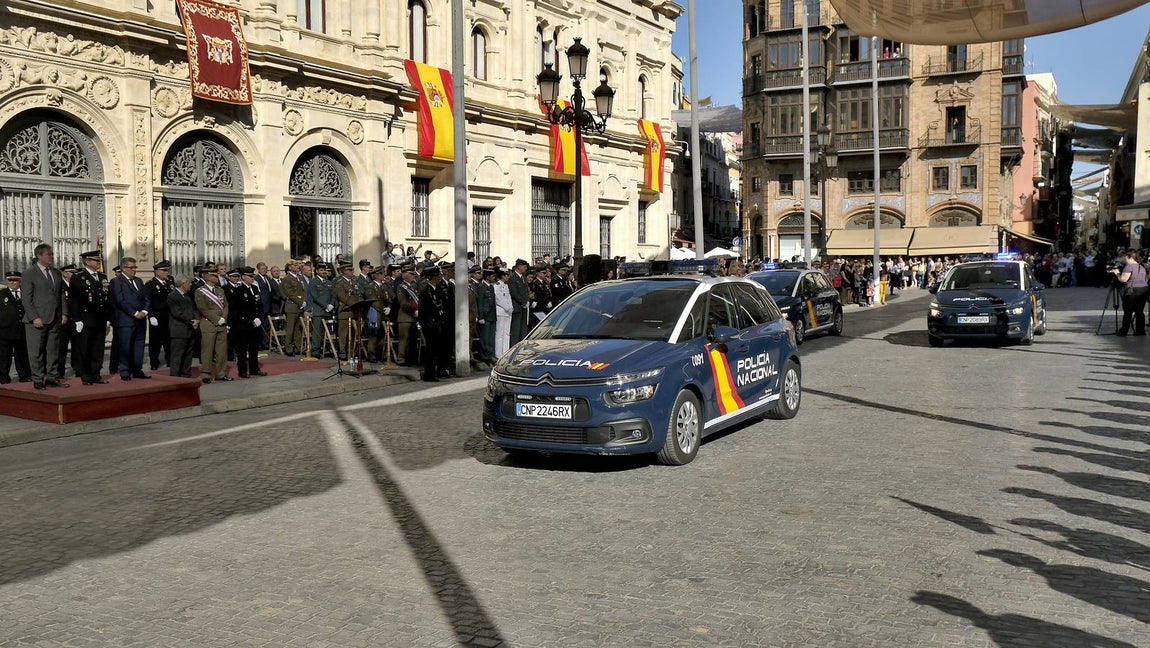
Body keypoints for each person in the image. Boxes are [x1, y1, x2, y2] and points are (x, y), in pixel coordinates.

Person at [21, 243, 70, 389]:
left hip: (54, 317)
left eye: (52, 254)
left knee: (53, 350)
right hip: (36, 319)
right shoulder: (30, 273)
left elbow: (61, 294)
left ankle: (52, 377)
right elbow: (26, 298)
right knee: (36, 351)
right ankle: (37, 379)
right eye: (48, 254)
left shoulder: (55, 272)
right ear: (39, 256)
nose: (51, 257)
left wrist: (64, 313)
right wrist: (34, 317)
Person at [69, 251, 110, 385]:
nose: (98, 262)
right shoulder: (78, 277)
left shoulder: (102, 277)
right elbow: (74, 299)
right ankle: (85, 374)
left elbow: (106, 298)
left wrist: (108, 317)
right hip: (85, 318)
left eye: (98, 260)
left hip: (100, 318)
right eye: (95, 260)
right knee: (85, 347)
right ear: (87, 261)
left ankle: (96, 373)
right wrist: (77, 319)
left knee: (98, 348)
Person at [111, 257, 151, 380]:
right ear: (123, 268)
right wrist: (134, 313)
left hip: (140, 319)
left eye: (135, 267)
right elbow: (120, 300)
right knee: (125, 346)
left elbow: (146, 298)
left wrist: (144, 311)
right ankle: (124, 371)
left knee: (139, 346)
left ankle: (137, 370)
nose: (134, 270)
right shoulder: (116, 281)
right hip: (126, 319)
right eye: (131, 268)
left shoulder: (139, 281)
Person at [194, 264, 232, 383]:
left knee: (221, 350)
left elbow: (226, 305)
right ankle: (206, 374)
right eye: (214, 275)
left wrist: (224, 318)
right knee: (208, 350)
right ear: (207, 277)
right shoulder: (200, 291)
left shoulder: (220, 290)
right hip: (209, 324)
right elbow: (202, 308)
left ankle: (221, 373)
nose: (216, 277)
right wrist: (216, 319)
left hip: (222, 323)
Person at [229, 267, 265, 377]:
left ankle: (255, 369)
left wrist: (259, 317)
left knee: (254, 348)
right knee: (242, 349)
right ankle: (243, 370)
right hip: (244, 324)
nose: (252, 278)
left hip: (255, 323)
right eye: (250, 276)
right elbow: (240, 308)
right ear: (243, 277)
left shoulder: (254, 288)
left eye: (252, 276)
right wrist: (252, 318)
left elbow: (259, 305)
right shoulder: (238, 290)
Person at [417, 266, 449, 381]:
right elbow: (424, 310)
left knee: (439, 349)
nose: (440, 278)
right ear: (433, 277)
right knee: (430, 350)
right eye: (438, 276)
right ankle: (429, 374)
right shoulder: (427, 291)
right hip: (430, 324)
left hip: (438, 323)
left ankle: (439, 371)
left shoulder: (437, 289)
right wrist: (424, 323)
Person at [0, 270, 31, 384]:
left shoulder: (26, 293)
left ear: (20, 281)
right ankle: (3, 377)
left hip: (22, 329)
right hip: (5, 330)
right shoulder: (2, 294)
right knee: (4, 356)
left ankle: (24, 375)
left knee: (22, 355)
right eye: (10, 280)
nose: (13, 283)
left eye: (15, 280)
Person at [166, 274, 199, 378]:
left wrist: (196, 320)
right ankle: (175, 376)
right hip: (179, 330)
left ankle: (186, 373)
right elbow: (177, 312)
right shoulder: (172, 296)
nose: (191, 284)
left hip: (190, 329)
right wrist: (191, 321)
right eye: (189, 282)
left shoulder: (187, 296)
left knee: (188, 354)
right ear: (183, 283)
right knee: (177, 355)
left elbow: (194, 309)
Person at [145, 260, 173, 370]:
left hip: (168, 315)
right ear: (156, 272)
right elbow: (148, 301)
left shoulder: (169, 283)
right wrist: (151, 315)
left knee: (168, 340)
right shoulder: (150, 284)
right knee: (155, 341)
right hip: (157, 316)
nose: (166, 272)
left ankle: (170, 359)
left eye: (167, 270)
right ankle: (154, 361)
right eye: (164, 270)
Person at [1112, 250, 1148, 336]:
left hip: (1132, 291)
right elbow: (1145, 279)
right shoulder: (1141, 266)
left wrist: (1117, 274)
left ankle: (1124, 331)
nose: (1125, 259)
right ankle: (1140, 331)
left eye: (1126, 257)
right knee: (1139, 311)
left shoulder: (1129, 266)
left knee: (1128, 311)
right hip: (1143, 290)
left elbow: (1123, 279)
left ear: (1130, 258)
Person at [395, 265, 420, 365]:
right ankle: (401, 359)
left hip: (414, 318)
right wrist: (414, 310)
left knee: (412, 340)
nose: (414, 276)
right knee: (403, 340)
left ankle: (411, 358)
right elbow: (404, 303)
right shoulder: (401, 287)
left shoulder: (413, 287)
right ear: (405, 275)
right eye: (411, 274)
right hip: (405, 317)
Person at [280, 259, 306, 356]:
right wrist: (300, 301)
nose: (297, 266)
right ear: (290, 267)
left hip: (299, 306)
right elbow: (290, 293)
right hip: (292, 306)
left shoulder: (299, 277)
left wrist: (304, 301)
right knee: (290, 328)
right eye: (295, 265)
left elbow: (302, 291)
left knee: (297, 328)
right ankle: (289, 348)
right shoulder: (287, 278)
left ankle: (298, 346)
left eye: (297, 265)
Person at [476, 267, 497, 364]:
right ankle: (484, 356)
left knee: (491, 337)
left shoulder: (491, 287)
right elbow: (480, 302)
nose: (494, 278)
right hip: (485, 316)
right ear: (487, 277)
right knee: (485, 337)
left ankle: (490, 355)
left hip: (492, 315)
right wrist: (481, 316)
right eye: (492, 276)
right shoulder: (481, 287)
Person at [508, 258, 530, 344]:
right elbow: (514, 292)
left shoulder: (523, 277)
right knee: (516, 330)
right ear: (519, 266)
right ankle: (514, 346)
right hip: (517, 306)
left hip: (523, 307)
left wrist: (527, 300)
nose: (525, 268)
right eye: (524, 267)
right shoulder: (513, 278)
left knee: (523, 328)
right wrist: (523, 302)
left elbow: (526, 291)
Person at [494, 268, 513, 357]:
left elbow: (508, 297)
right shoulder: (496, 285)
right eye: (507, 275)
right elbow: (498, 299)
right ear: (502, 276)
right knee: (499, 334)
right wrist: (506, 307)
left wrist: (511, 307)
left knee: (506, 333)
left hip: (508, 312)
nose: (508, 277)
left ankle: (505, 351)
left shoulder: (506, 285)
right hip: (501, 312)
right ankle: (498, 353)